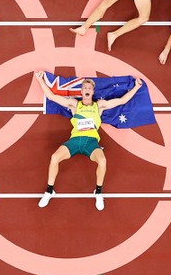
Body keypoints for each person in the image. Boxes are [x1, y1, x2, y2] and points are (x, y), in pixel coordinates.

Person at [34, 72, 144, 211]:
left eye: (89, 88)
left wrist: (136, 87)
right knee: (54, 157)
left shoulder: (99, 106)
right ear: (81, 91)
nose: (87, 90)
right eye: (84, 88)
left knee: (103, 161)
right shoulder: (74, 104)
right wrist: (40, 80)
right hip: (74, 141)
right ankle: (50, 191)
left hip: (91, 143)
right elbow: (51, 97)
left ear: (93, 91)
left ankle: (98, 192)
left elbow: (121, 101)